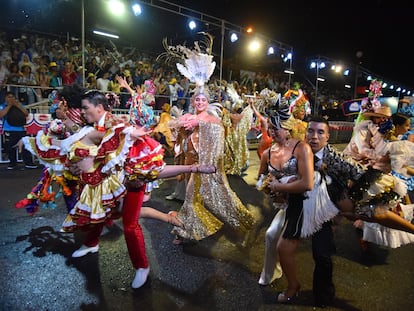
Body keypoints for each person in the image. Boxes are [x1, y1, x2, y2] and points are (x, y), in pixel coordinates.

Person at [263, 104, 314, 303]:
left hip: (306, 203)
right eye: (270, 127)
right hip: (286, 205)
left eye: (275, 127)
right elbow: (262, 179)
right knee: (270, 235)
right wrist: (267, 186)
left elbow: (307, 183)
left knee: (316, 251)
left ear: (287, 127)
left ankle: (293, 286)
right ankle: (269, 274)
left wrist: (279, 187)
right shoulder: (268, 153)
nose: (272, 131)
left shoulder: (301, 147)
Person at [0, 91, 37, 170]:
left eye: (12, 97)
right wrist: (9, 106)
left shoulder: (20, 105)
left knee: (25, 146)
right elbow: (1, 115)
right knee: (10, 147)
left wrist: (18, 105)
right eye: (9, 97)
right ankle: (12, 163)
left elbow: (26, 113)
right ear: (6, 98)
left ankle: (28, 163)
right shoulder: (3, 106)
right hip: (9, 129)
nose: (11, 99)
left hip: (21, 129)